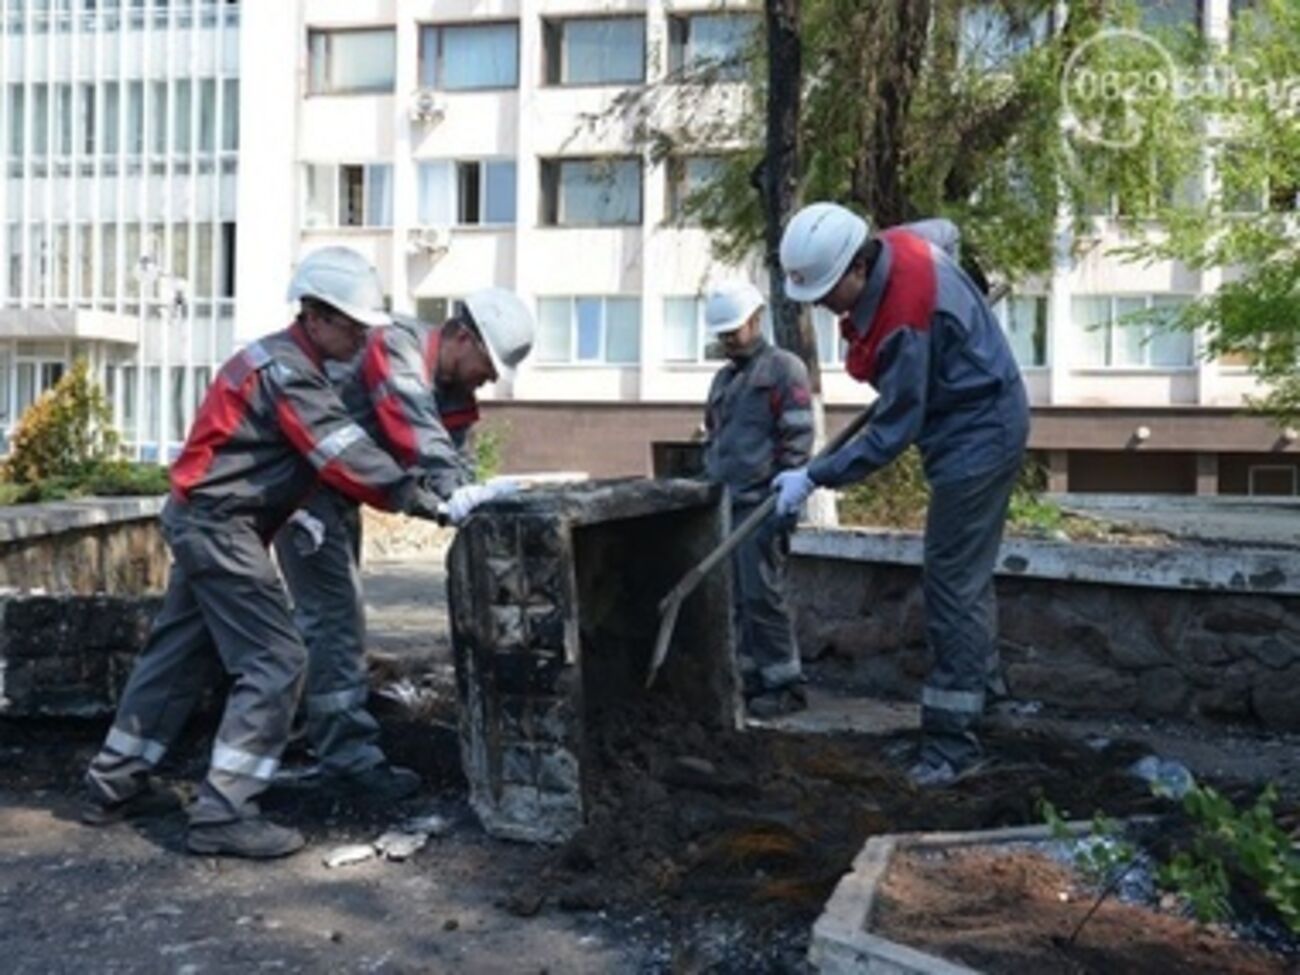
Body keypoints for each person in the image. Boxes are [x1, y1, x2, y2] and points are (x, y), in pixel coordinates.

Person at [82, 247, 450, 858]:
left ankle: (113, 783)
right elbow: (342, 453)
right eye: (352, 324)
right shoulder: (288, 371)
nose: (363, 336)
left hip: (210, 521)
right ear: (313, 315)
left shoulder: (288, 364)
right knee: (277, 659)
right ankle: (225, 811)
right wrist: (427, 499)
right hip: (220, 525)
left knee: (177, 655)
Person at [772, 203, 1029, 788]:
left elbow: (894, 430)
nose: (821, 305)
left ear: (858, 267)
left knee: (951, 584)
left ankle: (951, 746)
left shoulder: (905, 322)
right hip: (969, 416)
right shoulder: (898, 244)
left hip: (980, 432)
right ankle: (989, 700)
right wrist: (965, 309)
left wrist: (816, 475)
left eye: (828, 292)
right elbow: (948, 232)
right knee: (963, 575)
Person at [273, 289, 534, 799]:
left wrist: (479, 504)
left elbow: (453, 465)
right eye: (488, 364)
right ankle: (345, 761)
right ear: (462, 336)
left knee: (326, 619)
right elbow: (420, 438)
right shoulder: (396, 347)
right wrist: (455, 499)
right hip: (301, 488)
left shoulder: (454, 394)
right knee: (335, 619)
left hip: (336, 494)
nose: (489, 379)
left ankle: (300, 732)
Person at [701, 281, 814, 718]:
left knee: (763, 596)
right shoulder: (725, 379)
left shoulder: (784, 369)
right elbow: (715, 438)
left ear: (756, 319)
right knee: (737, 600)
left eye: (735, 330)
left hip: (763, 507)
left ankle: (786, 684)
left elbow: (799, 439)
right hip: (728, 505)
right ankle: (751, 677)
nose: (729, 339)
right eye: (723, 333)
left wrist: (785, 498)